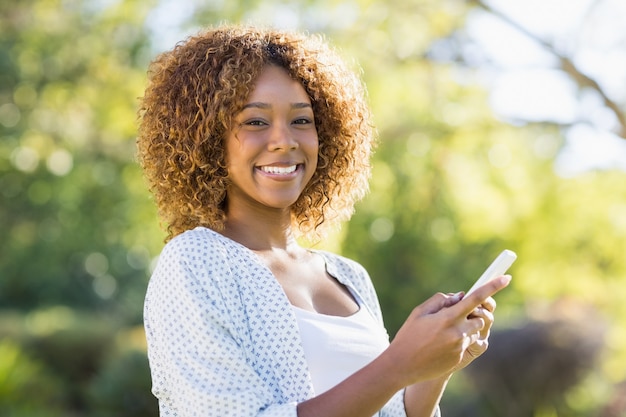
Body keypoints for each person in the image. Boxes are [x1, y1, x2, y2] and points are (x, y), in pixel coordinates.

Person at [137, 24, 511, 417]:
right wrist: (399, 363)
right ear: (208, 140)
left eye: (302, 121)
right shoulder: (195, 262)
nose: (285, 140)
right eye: (255, 122)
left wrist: (433, 367)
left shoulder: (351, 278)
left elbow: (386, 411)